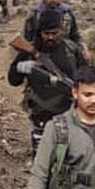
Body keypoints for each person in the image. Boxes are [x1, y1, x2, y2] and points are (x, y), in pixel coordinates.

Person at [8, 9, 87, 154]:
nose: (50, 37)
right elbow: (13, 80)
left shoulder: (71, 50)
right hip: (41, 112)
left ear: (61, 31)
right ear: (40, 32)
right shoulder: (30, 50)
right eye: (46, 33)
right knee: (42, 158)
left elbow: (86, 77)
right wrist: (22, 67)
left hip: (67, 112)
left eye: (54, 33)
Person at [23, 0, 90, 61]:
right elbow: (27, 39)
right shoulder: (35, 14)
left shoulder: (67, 13)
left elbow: (75, 36)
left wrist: (83, 48)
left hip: (65, 54)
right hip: (39, 54)